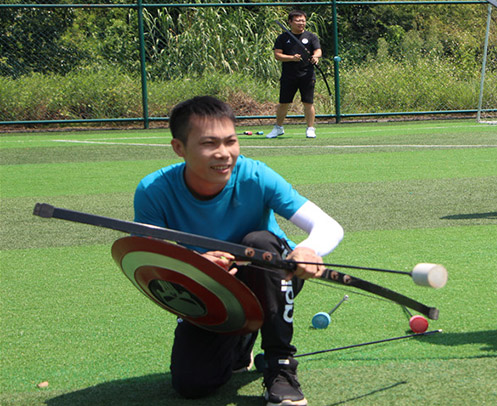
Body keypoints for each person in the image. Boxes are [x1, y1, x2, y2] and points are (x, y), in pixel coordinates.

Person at [135, 95, 344, 405]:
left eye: (231, 141)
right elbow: (151, 260)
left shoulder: (256, 175)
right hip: (211, 290)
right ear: (179, 148)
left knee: (259, 243)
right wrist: (196, 266)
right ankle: (242, 338)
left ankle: (280, 366)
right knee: (193, 384)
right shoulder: (153, 191)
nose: (224, 154)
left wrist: (308, 250)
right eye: (209, 144)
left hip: (272, 278)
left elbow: (328, 227)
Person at [267, 10, 323, 139]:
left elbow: (318, 50)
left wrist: (315, 57)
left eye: (303, 20)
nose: (301, 23)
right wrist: (291, 58)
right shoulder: (283, 38)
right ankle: (278, 128)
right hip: (289, 75)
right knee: (284, 103)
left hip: (307, 75)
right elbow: (277, 55)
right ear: (290, 22)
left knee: (308, 102)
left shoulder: (311, 37)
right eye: (298, 21)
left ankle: (310, 128)